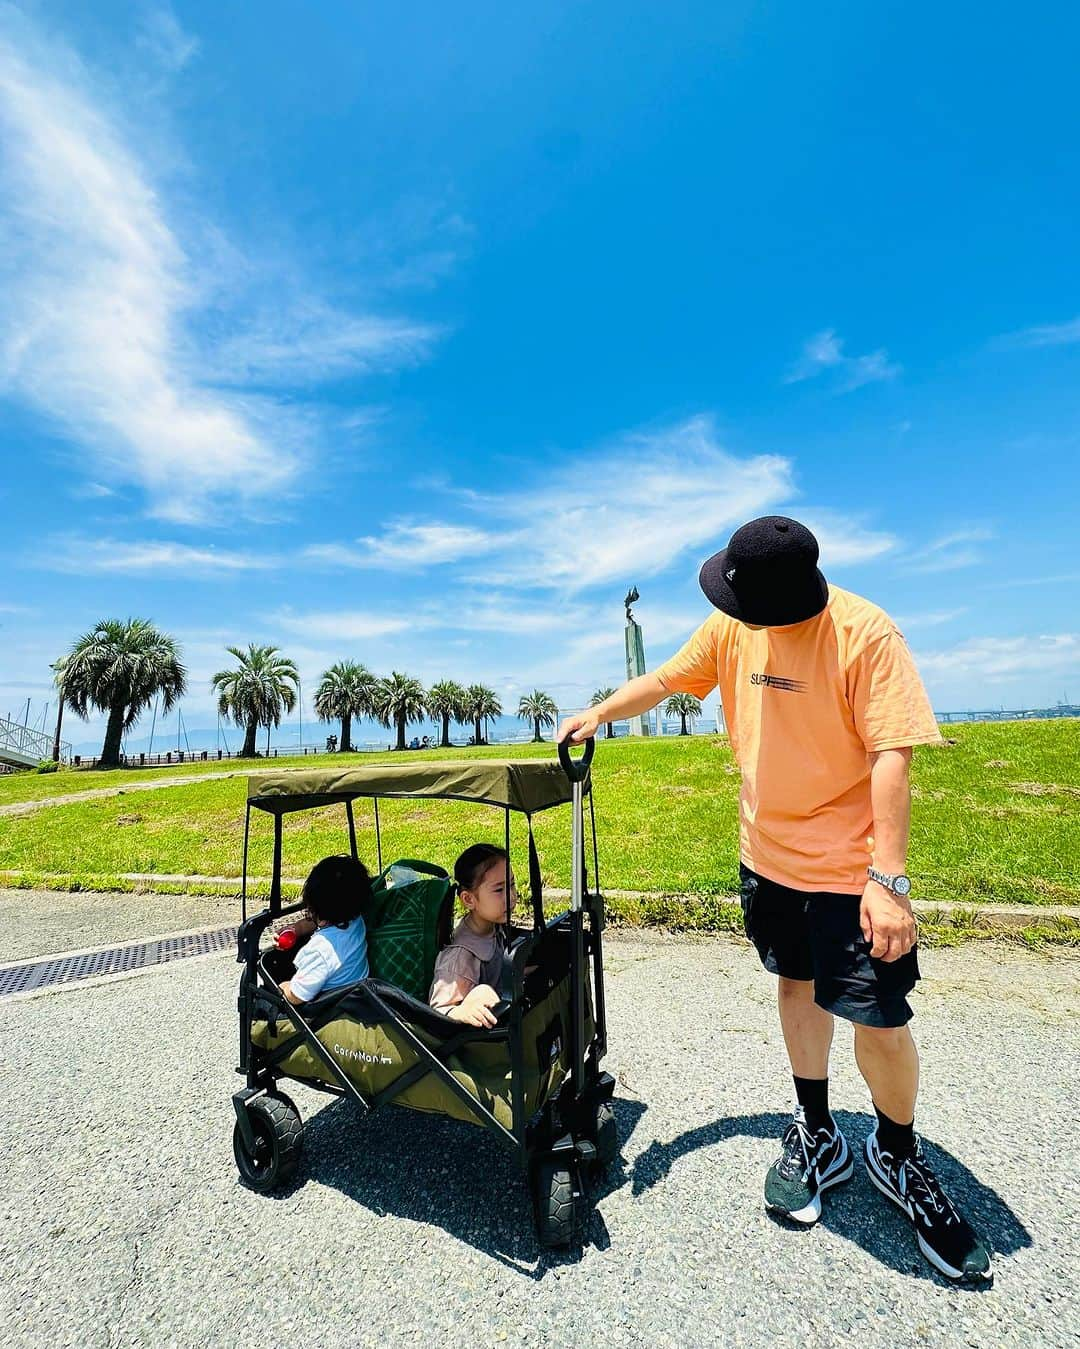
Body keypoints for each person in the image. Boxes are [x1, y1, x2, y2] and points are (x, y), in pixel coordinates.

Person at [557, 515, 991, 1283]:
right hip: (770, 857)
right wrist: (599, 712)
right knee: (796, 988)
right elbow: (663, 680)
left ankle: (896, 1151)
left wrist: (888, 882)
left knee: (880, 1020)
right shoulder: (732, 627)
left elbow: (893, 754)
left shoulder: (865, 633)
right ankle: (817, 1130)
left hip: (851, 870)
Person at [429, 843, 517, 1027]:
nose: (510, 896)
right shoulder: (460, 957)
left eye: (512, 884)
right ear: (469, 899)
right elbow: (437, 1013)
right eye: (499, 890)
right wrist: (461, 1010)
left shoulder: (492, 927)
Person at [279, 855, 372, 1005]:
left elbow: (298, 996)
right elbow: (323, 921)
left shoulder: (320, 951)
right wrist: (297, 929)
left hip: (328, 1012)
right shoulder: (355, 920)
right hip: (357, 998)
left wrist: (283, 987)